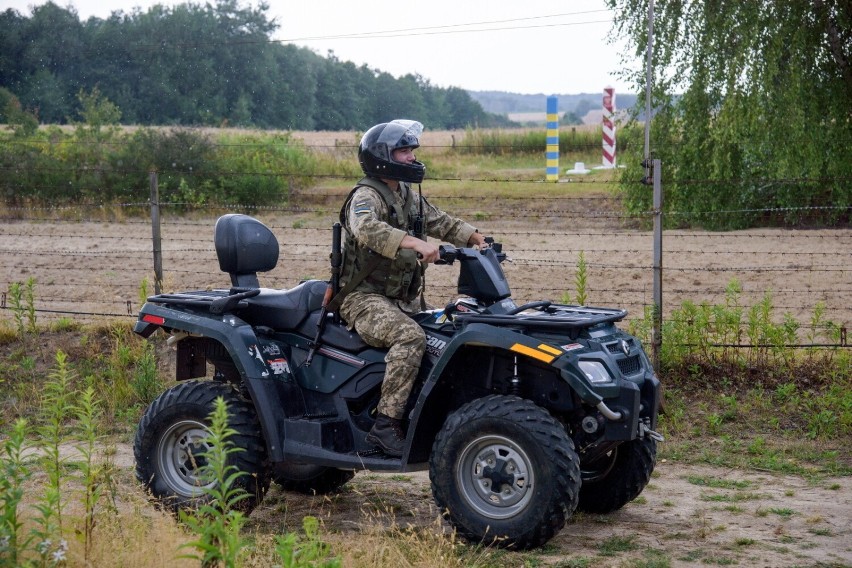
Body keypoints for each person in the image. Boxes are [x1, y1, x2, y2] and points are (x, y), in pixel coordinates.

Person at [337, 119, 487, 457]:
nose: (411, 157)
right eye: (403, 151)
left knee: (448, 332)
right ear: (382, 157)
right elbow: (366, 229)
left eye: (410, 150)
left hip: (403, 300)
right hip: (363, 299)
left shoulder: (405, 194)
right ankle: (385, 425)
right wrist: (413, 243)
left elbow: (440, 221)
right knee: (410, 337)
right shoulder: (367, 196)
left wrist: (477, 238)